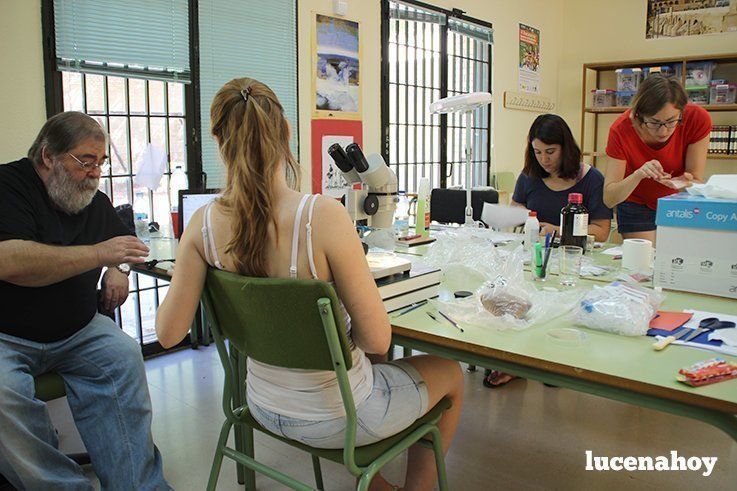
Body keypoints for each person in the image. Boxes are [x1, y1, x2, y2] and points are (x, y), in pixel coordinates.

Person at [155, 77, 464, 491]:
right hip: (338, 419)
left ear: (217, 138)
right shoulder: (322, 217)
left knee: (361, 368)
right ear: (286, 134)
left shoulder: (202, 226)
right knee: (451, 372)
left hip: (261, 406)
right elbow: (377, 339)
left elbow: (169, 333)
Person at [0, 112, 169, 489]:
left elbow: (126, 246)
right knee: (2, 395)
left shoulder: (92, 199)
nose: (95, 173)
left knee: (124, 356)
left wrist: (118, 270)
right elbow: (11, 261)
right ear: (48, 157)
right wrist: (98, 256)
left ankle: (138, 484)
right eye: (85, 161)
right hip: (7, 335)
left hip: (79, 329)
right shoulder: (8, 185)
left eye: (101, 163)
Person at [603, 74, 711, 244]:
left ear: (682, 112)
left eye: (671, 122)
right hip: (636, 204)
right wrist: (638, 174)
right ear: (639, 115)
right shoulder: (621, 129)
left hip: (677, 202)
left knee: (676, 258)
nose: (663, 131)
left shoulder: (697, 119)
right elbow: (609, 198)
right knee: (645, 262)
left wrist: (683, 182)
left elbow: (696, 179)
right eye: (653, 122)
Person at [512, 114, 613, 242]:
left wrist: (558, 231)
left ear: (565, 148)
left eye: (550, 152)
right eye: (537, 152)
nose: (544, 159)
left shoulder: (592, 179)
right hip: (536, 250)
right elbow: (515, 206)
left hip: (576, 254)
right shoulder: (529, 175)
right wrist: (526, 216)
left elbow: (601, 231)